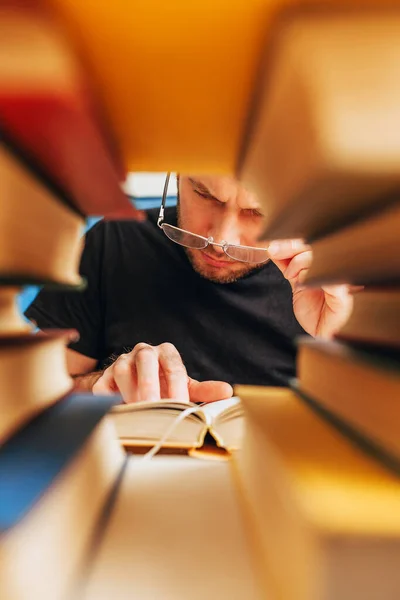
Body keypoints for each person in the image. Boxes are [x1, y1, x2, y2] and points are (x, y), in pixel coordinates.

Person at [25, 174, 353, 404]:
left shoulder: (330, 279)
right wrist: (99, 385)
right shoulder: (113, 242)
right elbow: (30, 394)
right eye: (205, 194)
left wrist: (339, 345)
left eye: (257, 212)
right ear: (177, 177)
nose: (222, 240)